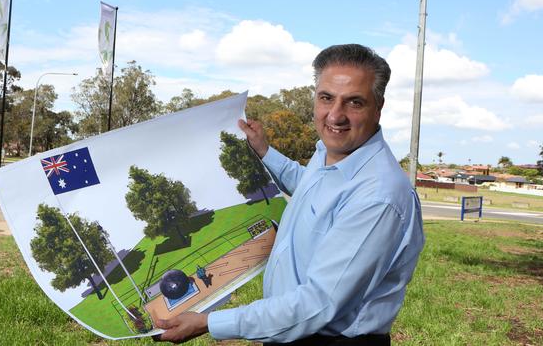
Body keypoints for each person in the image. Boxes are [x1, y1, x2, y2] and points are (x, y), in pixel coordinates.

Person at [154, 44, 425, 345]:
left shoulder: (378, 196)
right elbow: (309, 183)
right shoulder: (331, 153)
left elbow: (317, 304)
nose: (335, 116)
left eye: (354, 102)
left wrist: (209, 322)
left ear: (378, 106)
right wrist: (265, 151)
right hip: (293, 332)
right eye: (326, 98)